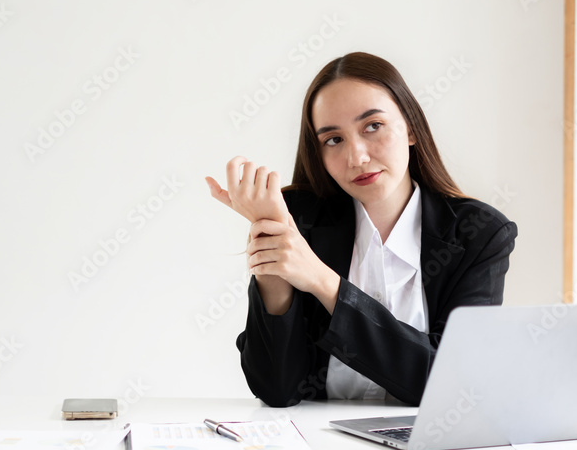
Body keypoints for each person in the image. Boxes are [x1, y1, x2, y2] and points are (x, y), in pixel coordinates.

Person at [206, 52, 516, 408]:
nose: (357, 157)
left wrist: (322, 281)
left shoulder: (479, 234)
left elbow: (452, 385)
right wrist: (272, 251)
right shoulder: (300, 220)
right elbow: (277, 389)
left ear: (411, 128)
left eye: (373, 126)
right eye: (333, 140)